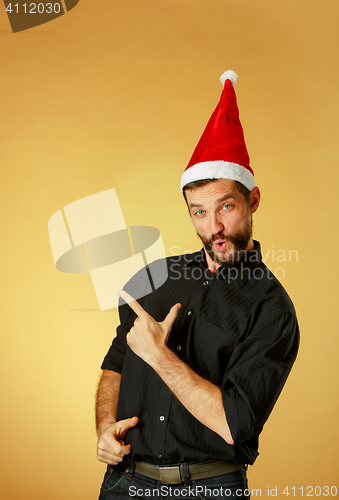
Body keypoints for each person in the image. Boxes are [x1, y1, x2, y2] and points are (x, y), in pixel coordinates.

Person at [95, 70, 300, 500]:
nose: (215, 227)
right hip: (125, 484)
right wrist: (104, 429)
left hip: (209, 488)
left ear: (253, 201)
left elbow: (234, 421)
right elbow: (115, 363)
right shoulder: (155, 277)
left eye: (226, 206)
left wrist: (158, 355)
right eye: (199, 212)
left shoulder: (271, 309)